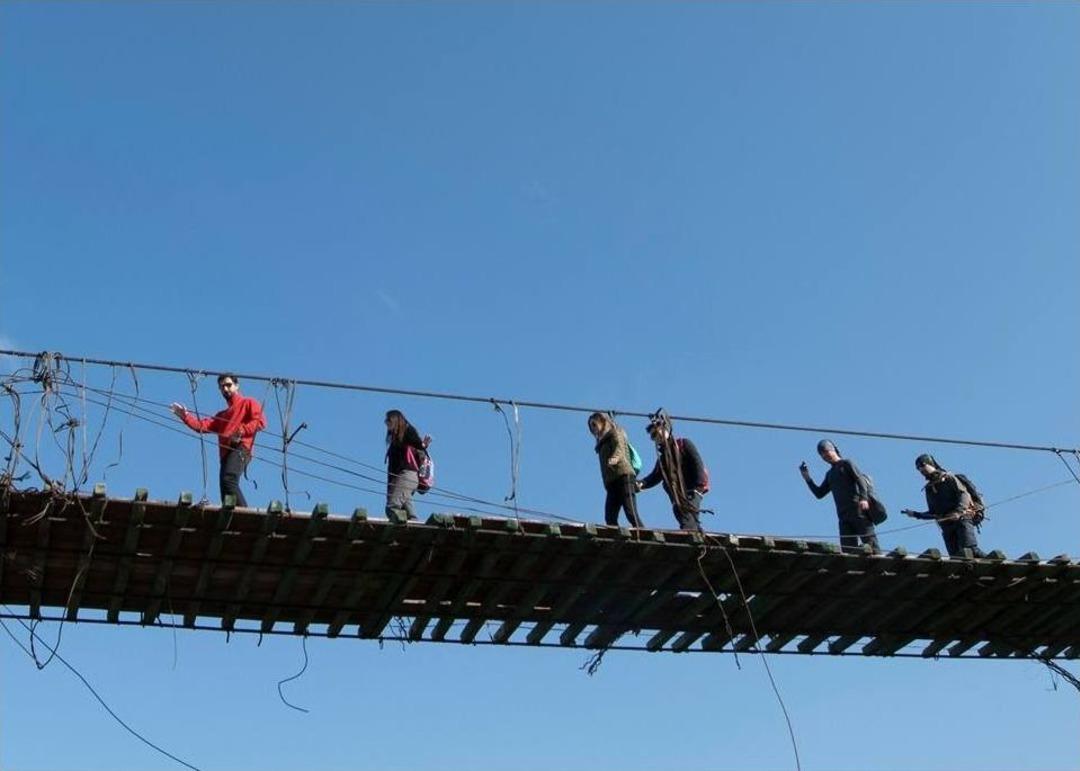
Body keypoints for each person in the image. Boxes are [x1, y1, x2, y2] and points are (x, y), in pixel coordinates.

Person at [170, 373, 266, 507]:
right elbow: (201, 426)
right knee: (225, 491)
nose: (225, 389)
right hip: (225, 454)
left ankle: (246, 514)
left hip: (241, 448)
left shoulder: (248, 402)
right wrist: (185, 416)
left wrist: (241, 430)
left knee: (229, 480)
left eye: (228, 385)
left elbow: (260, 422)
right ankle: (234, 517)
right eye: (222, 387)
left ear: (237, 386)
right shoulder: (221, 416)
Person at [799, 439, 879, 551]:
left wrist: (864, 498)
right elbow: (819, 493)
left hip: (858, 510)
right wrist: (807, 478)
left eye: (826, 452)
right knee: (848, 548)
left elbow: (860, 479)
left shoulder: (846, 464)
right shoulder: (830, 474)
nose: (825, 456)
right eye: (822, 455)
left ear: (833, 450)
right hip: (843, 515)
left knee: (870, 543)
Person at [902, 454, 985, 557]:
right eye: (918, 468)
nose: (921, 469)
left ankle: (994, 563)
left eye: (922, 465)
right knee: (955, 557)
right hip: (947, 525)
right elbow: (933, 513)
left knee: (971, 549)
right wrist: (916, 514)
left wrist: (959, 512)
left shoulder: (948, 478)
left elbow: (964, 494)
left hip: (962, 519)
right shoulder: (929, 488)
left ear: (931, 463)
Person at [637, 416, 708, 531]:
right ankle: (699, 537)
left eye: (657, 432)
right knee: (685, 517)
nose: (656, 437)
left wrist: (698, 486)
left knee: (687, 517)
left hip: (692, 489)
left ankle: (688, 535)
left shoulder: (683, 444)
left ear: (666, 429)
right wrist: (640, 484)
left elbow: (697, 463)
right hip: (676, 495)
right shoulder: (663, 459)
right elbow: (654, 477)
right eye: (653, 436)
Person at [588, 412, 643, 528]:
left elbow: (620, 449)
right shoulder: (601, 444)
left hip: (624, 476)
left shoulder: (616, 432)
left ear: (602, 422)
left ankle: (643, 533)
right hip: (612, 482)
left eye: (594, 424)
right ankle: (616, 536)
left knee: (630, 512)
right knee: (610, 517)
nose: (593, 429)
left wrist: (613, 460)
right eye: (591, 427)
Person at [384, 409, 430, 521]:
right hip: (400, 477)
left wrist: (423, 446)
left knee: (392, 507)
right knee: (406, 509)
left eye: (388, 420)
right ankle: (413, 521)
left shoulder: (407, 431)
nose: (386, 423)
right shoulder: (396, 438)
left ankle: (406, 525)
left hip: (407, 475)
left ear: (395, 420)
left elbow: (419, 447)